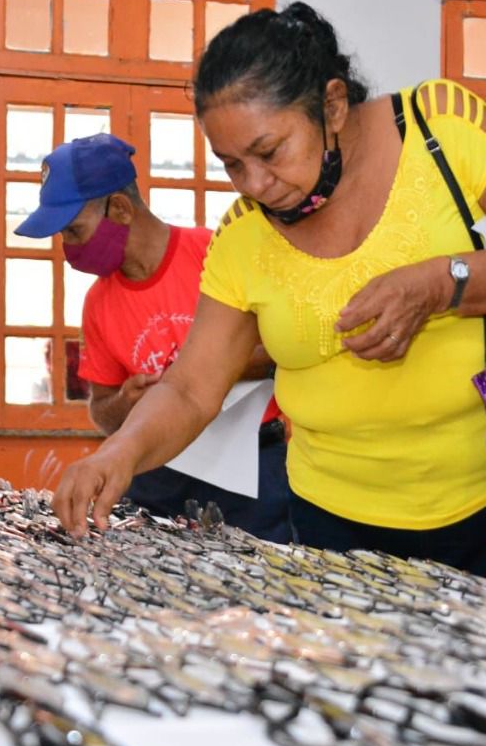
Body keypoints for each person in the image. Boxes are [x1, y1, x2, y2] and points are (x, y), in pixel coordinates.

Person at [53, 3, 486, 592]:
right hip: (334, 529)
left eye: (269, 152)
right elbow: (190, 389)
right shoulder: (243, 236)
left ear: (332, 105)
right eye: (232, 164)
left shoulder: (440, 125)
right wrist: (121, 452)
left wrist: (442, 282)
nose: (255, 183)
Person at [15, 133, 292, 543]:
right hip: (157, 475)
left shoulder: (216, 253)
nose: (67, 249)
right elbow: (103, 411)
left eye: (73, 231)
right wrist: (126, 401)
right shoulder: (98, 304)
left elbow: (285, 348)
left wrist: (197, 373)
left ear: (121, 209)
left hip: (252, 470)